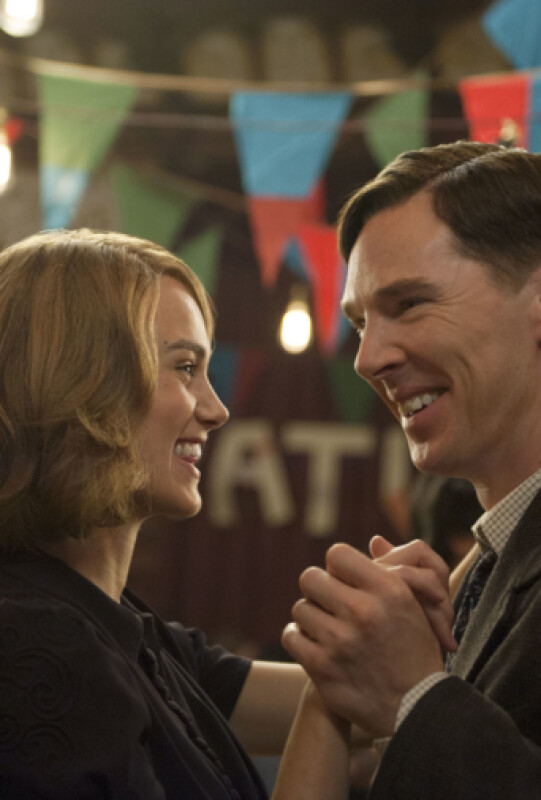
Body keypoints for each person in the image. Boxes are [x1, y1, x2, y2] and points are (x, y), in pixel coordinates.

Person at [0, 229, 352, 799]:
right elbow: (333, 702)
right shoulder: (37, 647)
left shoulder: (123, 628)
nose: (217, 409)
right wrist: (326, 710)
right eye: (185, 367)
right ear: (83, 385)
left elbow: (363, 694)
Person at [282, 141, 541, 798]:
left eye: (409, 304)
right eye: (359, 322)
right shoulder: (484, 569)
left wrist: (411, 696)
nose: (367, 359)